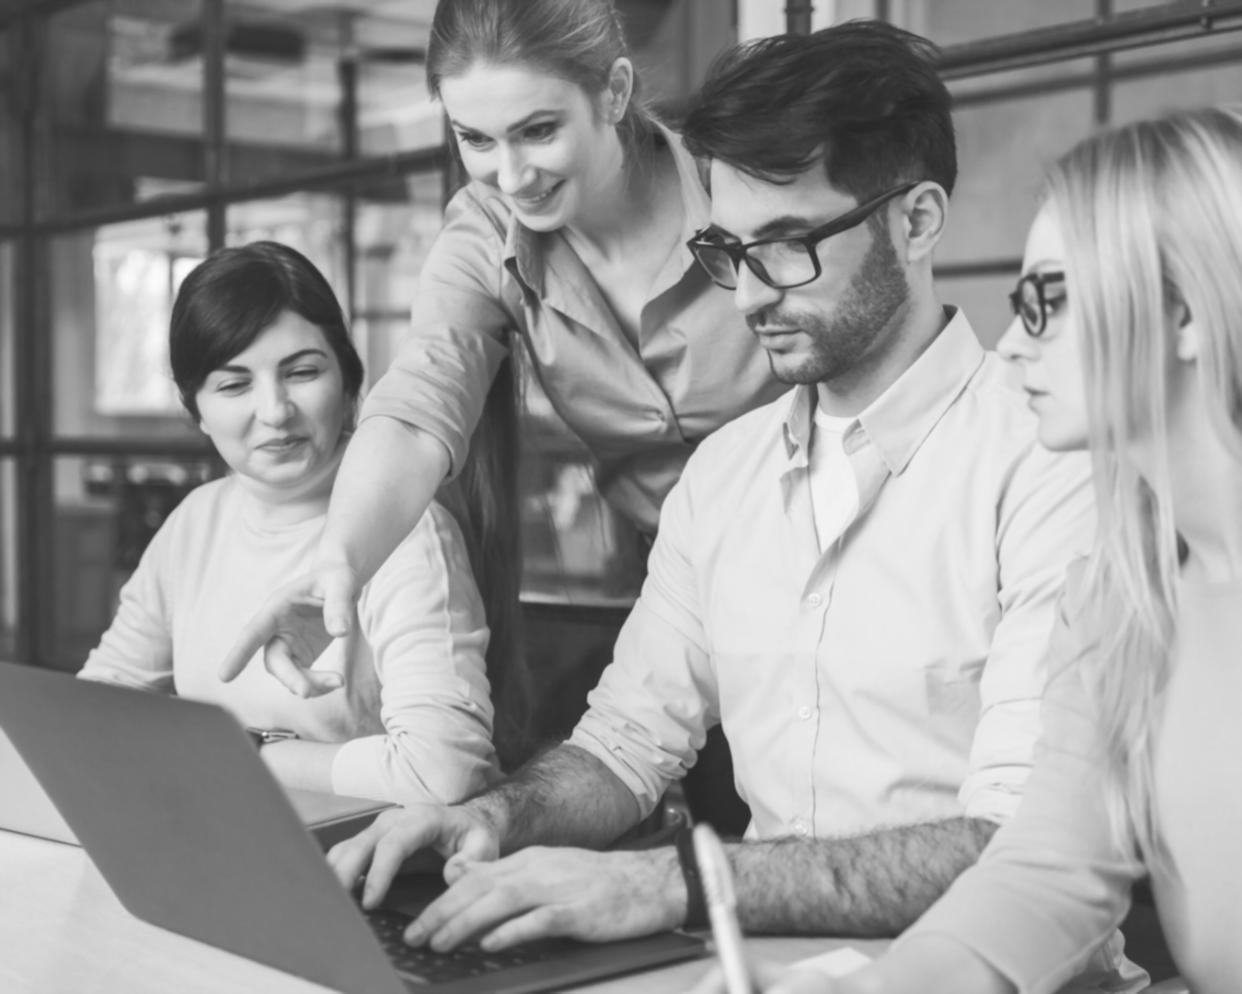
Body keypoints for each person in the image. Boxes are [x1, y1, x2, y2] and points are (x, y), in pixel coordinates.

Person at [323, 20, 1105, 961]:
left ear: (918, 219)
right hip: (768, 966)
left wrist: (664, 882)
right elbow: (621, 749)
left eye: (786, 246)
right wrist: (491, 819)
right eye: (730, 254)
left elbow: (1019, 850)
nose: (745, 299)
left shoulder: (1052, 467)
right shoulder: (723, 480)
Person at [690, 104, 1242, 994]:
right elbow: (1046, 875)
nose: (1015, 341)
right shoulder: (1120, 595)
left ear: (1185, 314)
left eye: (1048, 303)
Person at [218, 0, 786, 693]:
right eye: (477, 140)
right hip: (679, 589)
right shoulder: (487, 233)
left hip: (835, 553)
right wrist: (341, 563)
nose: (512, 176)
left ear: (614, 91)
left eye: (538, 130)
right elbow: (420, 402)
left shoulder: (736, 186)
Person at [79, 241, 504, 806]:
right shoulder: (195, 522)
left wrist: (249, 755)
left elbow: (442, 771)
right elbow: (97, 709)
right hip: (215, 837)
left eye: (302, 373)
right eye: (234, 385)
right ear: (196, 411)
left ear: (351, 384)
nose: (275, 411)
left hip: (366, 864)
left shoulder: (407, 531)